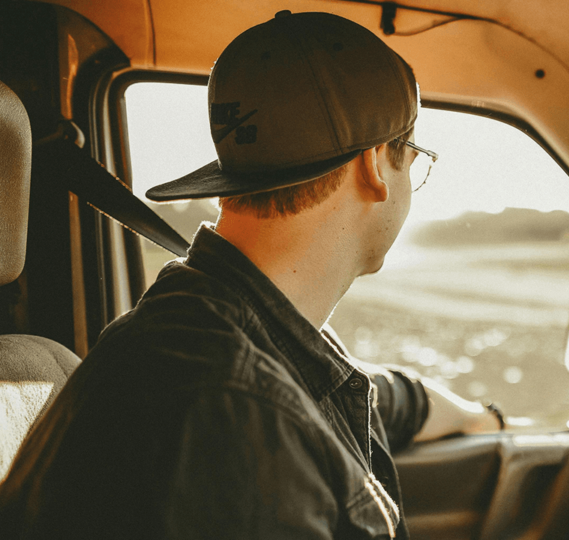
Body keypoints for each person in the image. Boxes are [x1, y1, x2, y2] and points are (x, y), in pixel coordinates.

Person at [0, 11, 499, 539]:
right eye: (413, 158)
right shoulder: (229, 417)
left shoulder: (222, 324)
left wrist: (478, 418)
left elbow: (365, 393)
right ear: (375, 165)